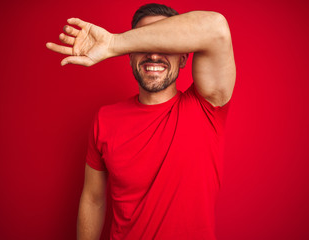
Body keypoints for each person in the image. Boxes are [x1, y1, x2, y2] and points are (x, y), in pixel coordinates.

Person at [46, 3, 235, 240]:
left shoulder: (208, 105)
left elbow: (215, 27)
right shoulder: (105, 119)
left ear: (184, 58)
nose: (153, 54)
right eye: (143, 44)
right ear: (130, 55)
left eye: (163, 44)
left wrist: (113, 43)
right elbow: (93, 199)